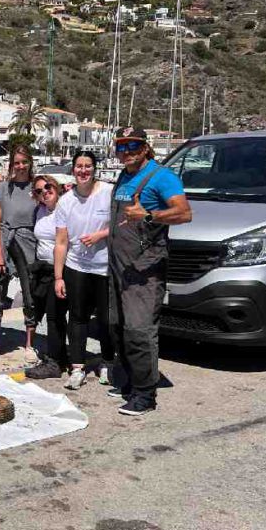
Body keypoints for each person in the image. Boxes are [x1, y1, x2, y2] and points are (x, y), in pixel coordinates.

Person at [108, 127, 191, 415]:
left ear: (145, 147)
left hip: (145, 270)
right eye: (121, 146)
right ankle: (132, 381)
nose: (126, 151)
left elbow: (184, 213)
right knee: (117, 327)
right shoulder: (124, 175)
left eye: (132, 145)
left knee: (139, 331)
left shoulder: (162, 176)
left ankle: (146, 395)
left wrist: (148, 214)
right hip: (119, 267)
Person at [53, 151, 115, 391]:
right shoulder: (65, 201)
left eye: (88, 166)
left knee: (107, 319)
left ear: (94, 169)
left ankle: (108, 362)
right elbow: (61, 242)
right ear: (73, 170)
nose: (83, 171)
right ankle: (76, 367)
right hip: (76, 267)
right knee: (77, 318)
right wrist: (58, 277)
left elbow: (123, 222)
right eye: (79, 166)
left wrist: (101, 234)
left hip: (104, 267)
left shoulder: (108, 193)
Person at [0, 146, 40, 363]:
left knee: (30, 295)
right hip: (4, 240)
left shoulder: (37, 188)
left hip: (28, 243)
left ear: (30, 163)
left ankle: (30, 344)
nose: (20, 167)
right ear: (11, 165)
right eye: (16, 163)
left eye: (24, 162)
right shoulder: (3, 188)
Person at [25, 175, 69, 380]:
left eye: (48, 187)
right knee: (43, 313)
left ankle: (55, 363)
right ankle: (59, 354)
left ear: (57, 187)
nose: (44, 192)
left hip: (60, 270)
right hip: (42, 269)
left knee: (55, 317)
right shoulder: (39, 211)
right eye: (38, 191)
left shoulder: (65, 209)